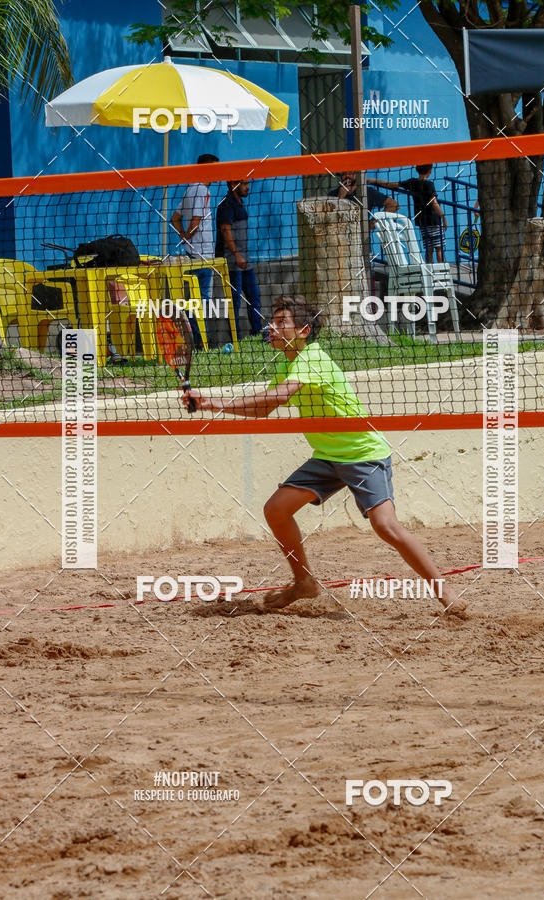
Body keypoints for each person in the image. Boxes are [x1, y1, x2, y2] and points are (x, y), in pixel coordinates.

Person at [184, 295, 468, 617]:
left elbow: (277, 396)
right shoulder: (287, 363)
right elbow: (265, 408)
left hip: (362, 454)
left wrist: (213, 402)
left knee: (386, 526)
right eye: (272, 322)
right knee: (276, 510)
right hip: (329, 456)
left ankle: (447, 594)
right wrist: (211, 404)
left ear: (303, 331)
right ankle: (304, 582)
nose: (272, 328)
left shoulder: (311, 358)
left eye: (282, 323)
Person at [171, 153, 219, 347]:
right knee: (203, 301)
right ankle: (201, 342)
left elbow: (174, 218)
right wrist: (187, 236)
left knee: (193, 300)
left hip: (192, 254)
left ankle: (195, 339)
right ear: (206, 169)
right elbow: (196, 222)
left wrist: (184, 237)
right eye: (216, 168)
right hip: (203, 255)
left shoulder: (190, 189)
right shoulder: (200, 189)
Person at [216, 179, 262, 338]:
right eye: (243, 183)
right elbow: (225, 230)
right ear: (232, 185)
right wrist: (236, 255)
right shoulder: (226, 204)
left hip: (245, 260)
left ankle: (257, 332)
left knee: (254, 297)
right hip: (232, 261)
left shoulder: (239, 202)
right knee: (234, 302)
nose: (247, 187)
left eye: (247, 183)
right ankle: (236, 338)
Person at [381, 165, 448, 263]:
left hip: (422, 221)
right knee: (439, 248)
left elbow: (393, 184)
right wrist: (443, 216)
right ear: (430, 170)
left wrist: (375, 181)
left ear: (417, 170)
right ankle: (442, 273)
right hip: (434, 220)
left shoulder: (412, 182)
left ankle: (431, 274)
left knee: (429, 250)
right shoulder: (429, 184)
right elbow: (433, 202)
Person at [328, 171, 399, 228]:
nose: (347, 176)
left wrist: (372, 222)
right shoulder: (333, 194)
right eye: (344, 173)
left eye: (351, 173)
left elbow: (394, 205)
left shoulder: (368, 192)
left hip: (361, 238)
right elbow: (329, 217)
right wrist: (341, 197)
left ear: (357, 175)